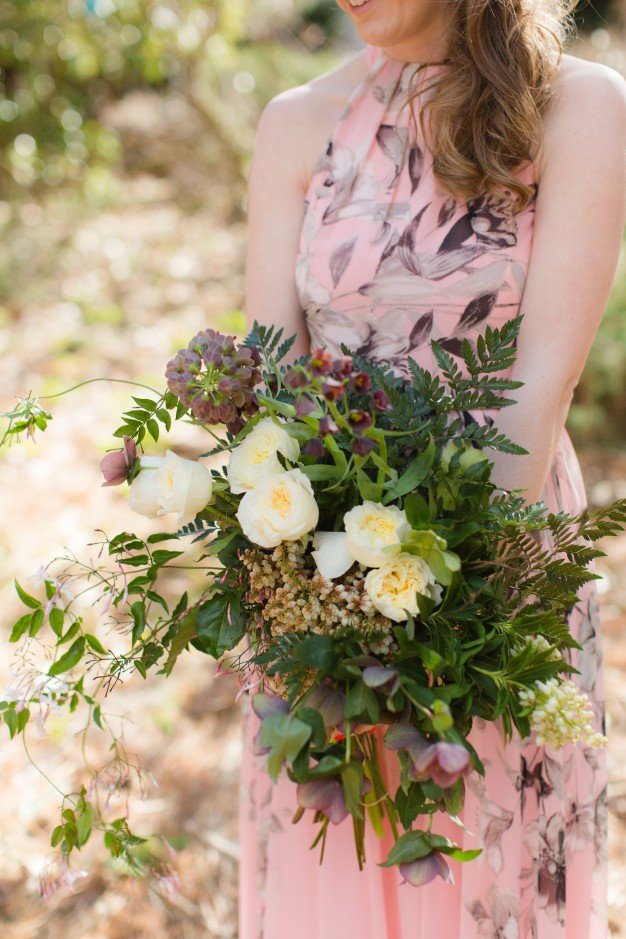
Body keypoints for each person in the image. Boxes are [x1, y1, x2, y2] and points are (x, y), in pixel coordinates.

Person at [238, 0, 626, 935]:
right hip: (318, 574)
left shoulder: (581, 108)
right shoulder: (295, 120)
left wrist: (442, 605)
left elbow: (540, 378)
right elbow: (269, 381)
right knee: (340, 856)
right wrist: (308, 583)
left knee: (480, 865)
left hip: (496, 556)